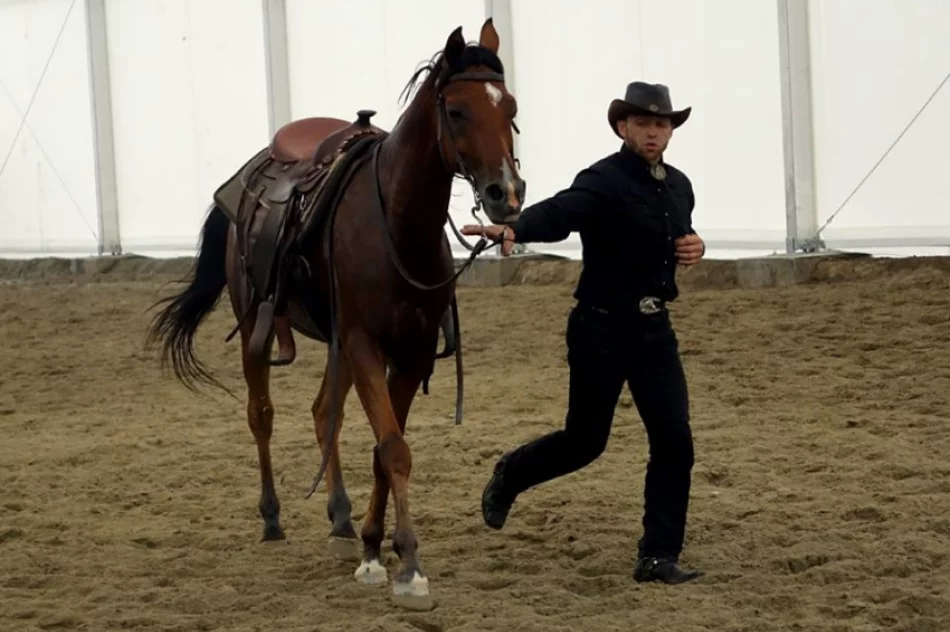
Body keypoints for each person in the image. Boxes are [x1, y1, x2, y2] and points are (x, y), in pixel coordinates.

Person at [460, 81, 706, 584]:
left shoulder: (680, 186)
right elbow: (562, 212)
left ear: (670, 131)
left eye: (661, 124)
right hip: (601, 328)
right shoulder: (602, 180)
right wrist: (515, 228)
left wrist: (693, 247)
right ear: (623, 127)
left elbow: (679, 238)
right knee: (585, 442)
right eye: (643, 123)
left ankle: (658, 555)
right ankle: (512, 473)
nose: (653, 132)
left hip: (655, 330)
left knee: (675, 440)